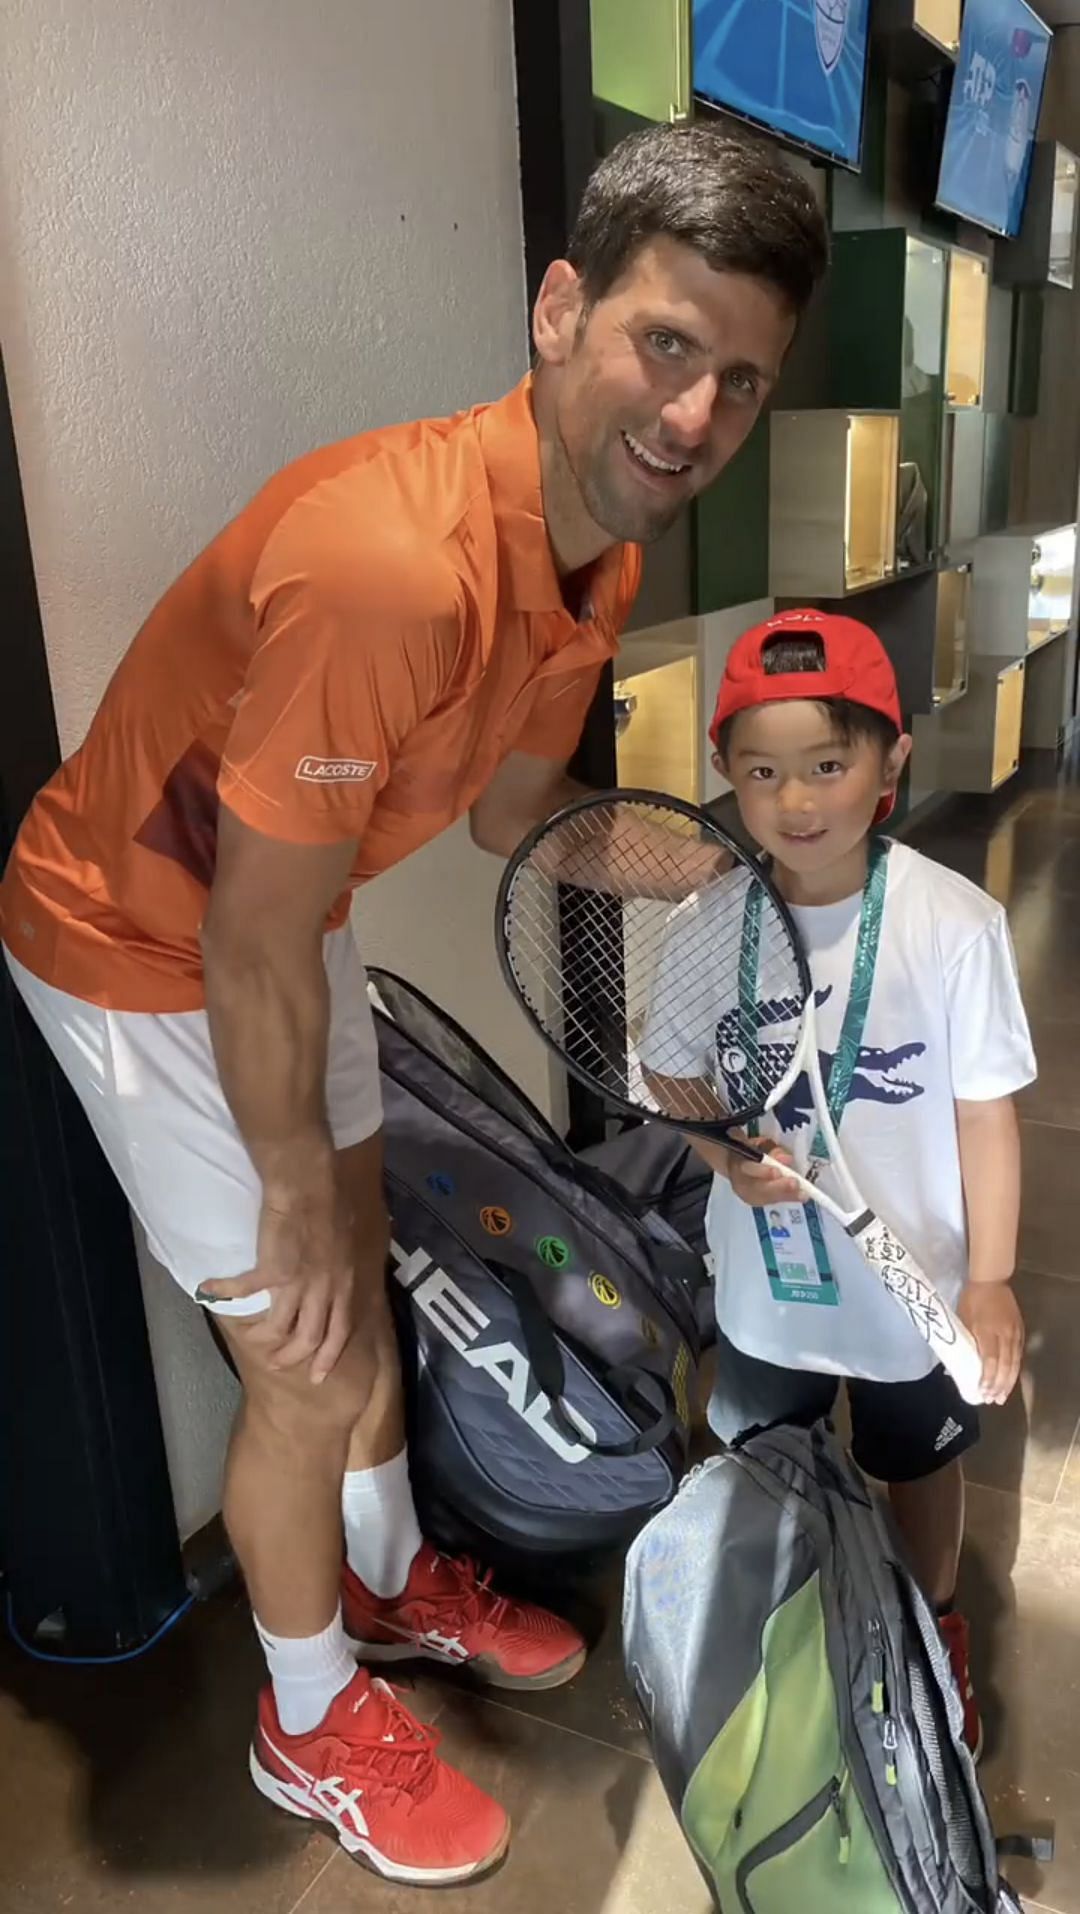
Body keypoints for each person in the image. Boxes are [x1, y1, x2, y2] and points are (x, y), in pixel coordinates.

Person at [0, 127, 827, 1882]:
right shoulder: (394, 565)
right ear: (558, 308)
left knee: (356, 1266)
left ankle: (381, 1581)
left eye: (737, 381)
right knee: (301, 1346)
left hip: (273, 920)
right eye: (663, 345)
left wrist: (721, 858)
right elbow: (241, 933)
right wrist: (288, 1179)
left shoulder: (599, 555)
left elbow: (525, 817)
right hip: (138, 946)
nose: (691, 416)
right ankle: (304, 1718)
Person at [642, 609, 1035, 1759]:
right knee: (771, 1474)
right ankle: (801, 1634)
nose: (796, 800)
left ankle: (932, 1627)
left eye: (828, 764)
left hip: (916, 1288)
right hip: (768, 1295)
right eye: (762, 772)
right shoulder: (711, 924)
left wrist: (995, 1279)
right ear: (724, 775)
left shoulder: (953, 925)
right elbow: (670, 1070)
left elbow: (983, 1112)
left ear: (890, 760)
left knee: (920, 1464)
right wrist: (719, 1154)